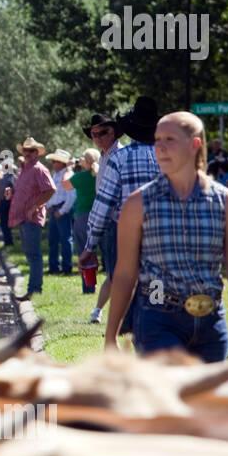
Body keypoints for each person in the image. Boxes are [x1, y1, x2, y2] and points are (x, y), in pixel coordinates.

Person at [107, 111, 228, 362]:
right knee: (170, 397)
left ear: (194, 145)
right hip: (157, 317)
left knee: (206, 400)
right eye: (157, 140)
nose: (160, 147)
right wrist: (111, 335)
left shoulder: (227, 203)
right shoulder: (138, 203)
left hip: (211, 321)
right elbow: (124, 273)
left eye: (169, 139)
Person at [80, 98, 161, 327]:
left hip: (125, 230)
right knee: (156, 277)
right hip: (161, 230)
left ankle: (127, 322)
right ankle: (153, 319)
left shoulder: (120, 158)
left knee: (124, 278)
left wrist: (90, 245)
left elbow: (103, 204)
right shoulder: (169, 158)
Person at [81, 112, 122, 322]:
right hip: (107, 223)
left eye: (103, 132)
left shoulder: (119, 155)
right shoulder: (106, 155)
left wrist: (90, 243)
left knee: (120, 275)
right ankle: (98, 312)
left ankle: (120, 319)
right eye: (93, 134)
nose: (97, 137)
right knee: (114, 274)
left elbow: (109, 200)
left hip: (118, 223)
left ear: (114, 132)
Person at [7, 137, 56, 295]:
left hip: (31, 218)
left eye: (31, 151)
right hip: (23, 217)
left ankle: (34, 290)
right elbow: (25, 190)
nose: (27, 153)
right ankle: (33, 289)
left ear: (37, 153)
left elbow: (50, 189)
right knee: (30, 254)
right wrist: (12, 192)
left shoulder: (39, 169)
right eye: (25, 150)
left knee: (34, 255)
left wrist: (35, 207)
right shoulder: (24, 169)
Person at [70, 148, 100, 293]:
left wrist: (70, 167)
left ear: (87, 161)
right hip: (100, 215)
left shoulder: (80, 177)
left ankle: (89, 286)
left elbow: (65, 185)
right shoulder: (100, 175)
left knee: (84, 251)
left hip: (82, 216)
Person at [44, 149, 75, 275]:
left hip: (62, 210)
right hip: (55, 209)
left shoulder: (68, 175)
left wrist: (62, 211)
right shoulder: (56, 175)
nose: (53, 163)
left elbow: (71, 197)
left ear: (62, 163)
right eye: (53, 161)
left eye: (56, 161)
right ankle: (54, 266)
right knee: (53, 239)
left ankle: (67, 267)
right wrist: (48, 206)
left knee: (65, 239)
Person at [0, 160, 17, 246]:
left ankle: (9, 242)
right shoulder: (5, 176)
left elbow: (12, 189)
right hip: (3, 201)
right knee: (3, 223)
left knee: (6, 223)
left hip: (8, 202)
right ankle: (7, 241)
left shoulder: (12, 177)